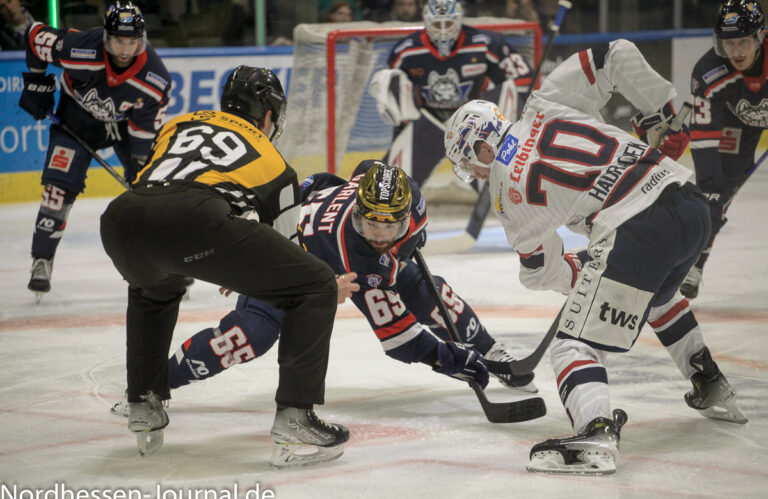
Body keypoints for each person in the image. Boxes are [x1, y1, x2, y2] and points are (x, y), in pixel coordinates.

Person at [443, 39, 748, 475]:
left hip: (638, 229)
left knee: (572, 344)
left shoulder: (506, 194)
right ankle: (710, 381)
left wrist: (581, 269)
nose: (472, 173)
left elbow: (539, 271)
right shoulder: (544, 101)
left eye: (468, 163)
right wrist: (658, 112)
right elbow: (616, 54)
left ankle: (594, 432)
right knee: (656, 295)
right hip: (690, 203)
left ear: (481, 150)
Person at [110, 160, 538, 420]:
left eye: (391, 224)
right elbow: (398, 339)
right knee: (245, 339)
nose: (380, 233)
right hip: (282, 266)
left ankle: (492, 351)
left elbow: (336, 176)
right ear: (358, 216)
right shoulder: (357, 254)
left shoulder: (402, 200)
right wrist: (448, 359)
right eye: (371, 223)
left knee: (430, 289)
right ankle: (151, 386)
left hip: (318, 252)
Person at [99, 65, 352, 467]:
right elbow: (292, 265)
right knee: (317, 283)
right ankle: (295, 415)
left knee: (154, 289)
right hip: (197, 222)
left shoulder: (179, 123)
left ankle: (143, 402)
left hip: (121, 222)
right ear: (269, 114)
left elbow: (167, 180)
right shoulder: (273, 160)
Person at [18, 1, 170, 303]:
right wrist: (37, 82)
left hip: (121, 126)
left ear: (142, 40)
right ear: (105, 37)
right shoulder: (79, 49)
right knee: (57, 190)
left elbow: (143, 140)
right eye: (118, 41)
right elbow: (34, 35)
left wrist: (140, 172)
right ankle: (42, 259)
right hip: (75, 120)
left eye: (132, 42)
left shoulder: (154, 81)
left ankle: (167, 261)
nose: (125, 49)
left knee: (148, 187)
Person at [368, 0, 533, 186]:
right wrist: (401, 124)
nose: (444, 30)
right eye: (438, 24)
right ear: (427, 21)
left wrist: (519, 119)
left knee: (496, 186)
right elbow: (392, 88)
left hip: (472, 123)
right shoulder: (406, 50)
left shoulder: (485, 44)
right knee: (394, 183)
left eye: (449, 23)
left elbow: (523, 76)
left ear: (459, 20)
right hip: (429, 118)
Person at [680, 0, 768, 299]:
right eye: (729, 43)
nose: (737, 51)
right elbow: (704, 137)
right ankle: (694, 264)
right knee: (717, 194)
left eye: (743, 41)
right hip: (735, 124)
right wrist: (710, 188)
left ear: (760, 36)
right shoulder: (709, 72)